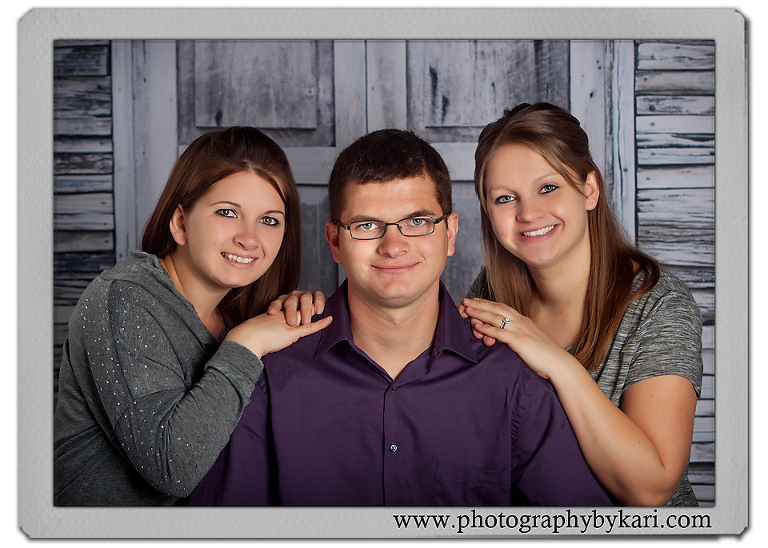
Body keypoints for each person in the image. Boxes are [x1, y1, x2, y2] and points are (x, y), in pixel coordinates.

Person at [188, 129, 612, 507]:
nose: (393, 246)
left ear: (450, 233)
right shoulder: (269, 373)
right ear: (335, 241)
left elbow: (585, 530)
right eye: (367, 225)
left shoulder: (511, 378)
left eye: (417, 221)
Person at [53, 126, 332, 506]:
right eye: (227, 213)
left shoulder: (235, 315)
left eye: (269, 220)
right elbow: (173, 468)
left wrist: (286, 312)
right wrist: (247, 344)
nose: (249, 238)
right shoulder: (123, 299)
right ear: (181, 223)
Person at [459, 103, 703, 506]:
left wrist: (555, 361)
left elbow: (652, 488)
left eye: (548, 188)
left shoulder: (659, 307)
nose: (528, 213)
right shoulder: (491, 291)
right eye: (505, 198)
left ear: (589, 189)